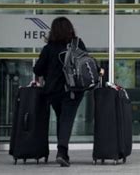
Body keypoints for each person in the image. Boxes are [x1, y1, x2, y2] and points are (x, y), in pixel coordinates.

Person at [33, 17, 89, 167]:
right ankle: (62, 152)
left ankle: (63, 152)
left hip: (53, 92)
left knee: (61, 118)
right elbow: (86, 63)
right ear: (70, 28)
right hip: (74, 90)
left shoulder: (48, 48)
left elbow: (37, 69)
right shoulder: (77, 44)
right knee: (66, 119)